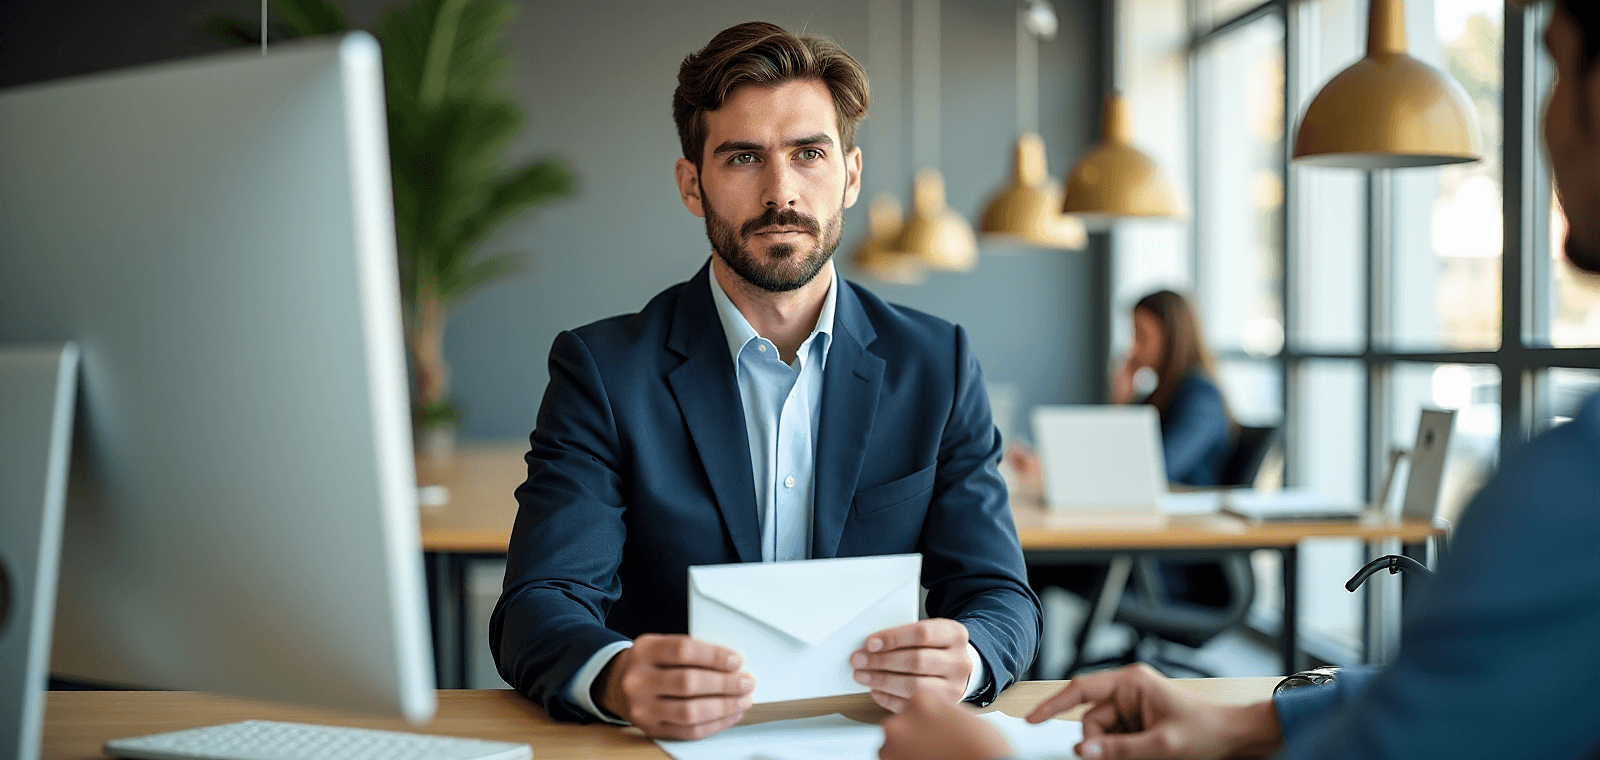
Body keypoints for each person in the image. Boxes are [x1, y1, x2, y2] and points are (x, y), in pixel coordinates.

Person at [880, 1, 1600, 758]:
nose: (1542, 121)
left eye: (1552, 66)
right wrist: (1254, 720)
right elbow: (1449, 696)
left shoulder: (1568, 501)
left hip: (1185, 573)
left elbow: (1152, 467)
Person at [489, 21, 1040, 741]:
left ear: (850, 175)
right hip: (664, 748)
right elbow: (539, 601)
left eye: (809, 153)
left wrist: (965, 659)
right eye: (744, 157)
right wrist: (617, 676)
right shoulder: (602, 371)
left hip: (876, 743)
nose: (781, 192)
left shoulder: (936, 364)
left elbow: (1000, 597)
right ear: (693, 185)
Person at [1111, 291, 1230, 487]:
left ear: (1171, 337)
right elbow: (1116, 455)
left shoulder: (1202, 398)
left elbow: (1158, 469)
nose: (1132, 347)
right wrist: (1122, 402)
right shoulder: (1158, 395)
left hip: (1190, 514)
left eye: (1141, 334)